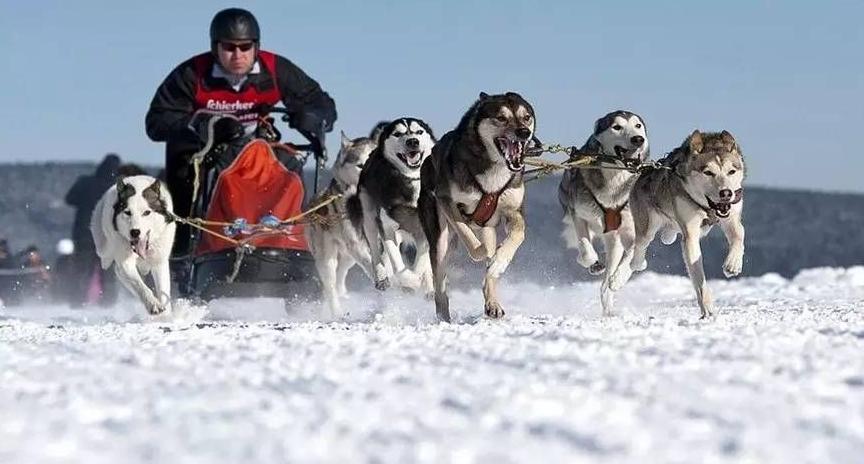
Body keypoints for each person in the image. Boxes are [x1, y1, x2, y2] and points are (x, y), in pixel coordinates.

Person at [145, 7, 337, 261]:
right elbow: (157, 121)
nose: (238, 55)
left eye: (245, 47)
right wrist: (205, 126)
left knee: (291, 166)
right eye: (229, 48)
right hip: (208, 152)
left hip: (261, 150)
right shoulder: (192, 74)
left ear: (256, 47)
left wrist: (312, 117)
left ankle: (288, 242)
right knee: (183, 166)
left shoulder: (276, 69)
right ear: (216, 47)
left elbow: (320, 103)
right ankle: (184, 251)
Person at [65, 154, 121, 307]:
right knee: (108, 271)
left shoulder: (85, 182)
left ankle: (77, 302)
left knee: (82, 269)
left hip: (83, 233)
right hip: (107, 234)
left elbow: (69, 199)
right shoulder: (116, 188)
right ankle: (108, 303)